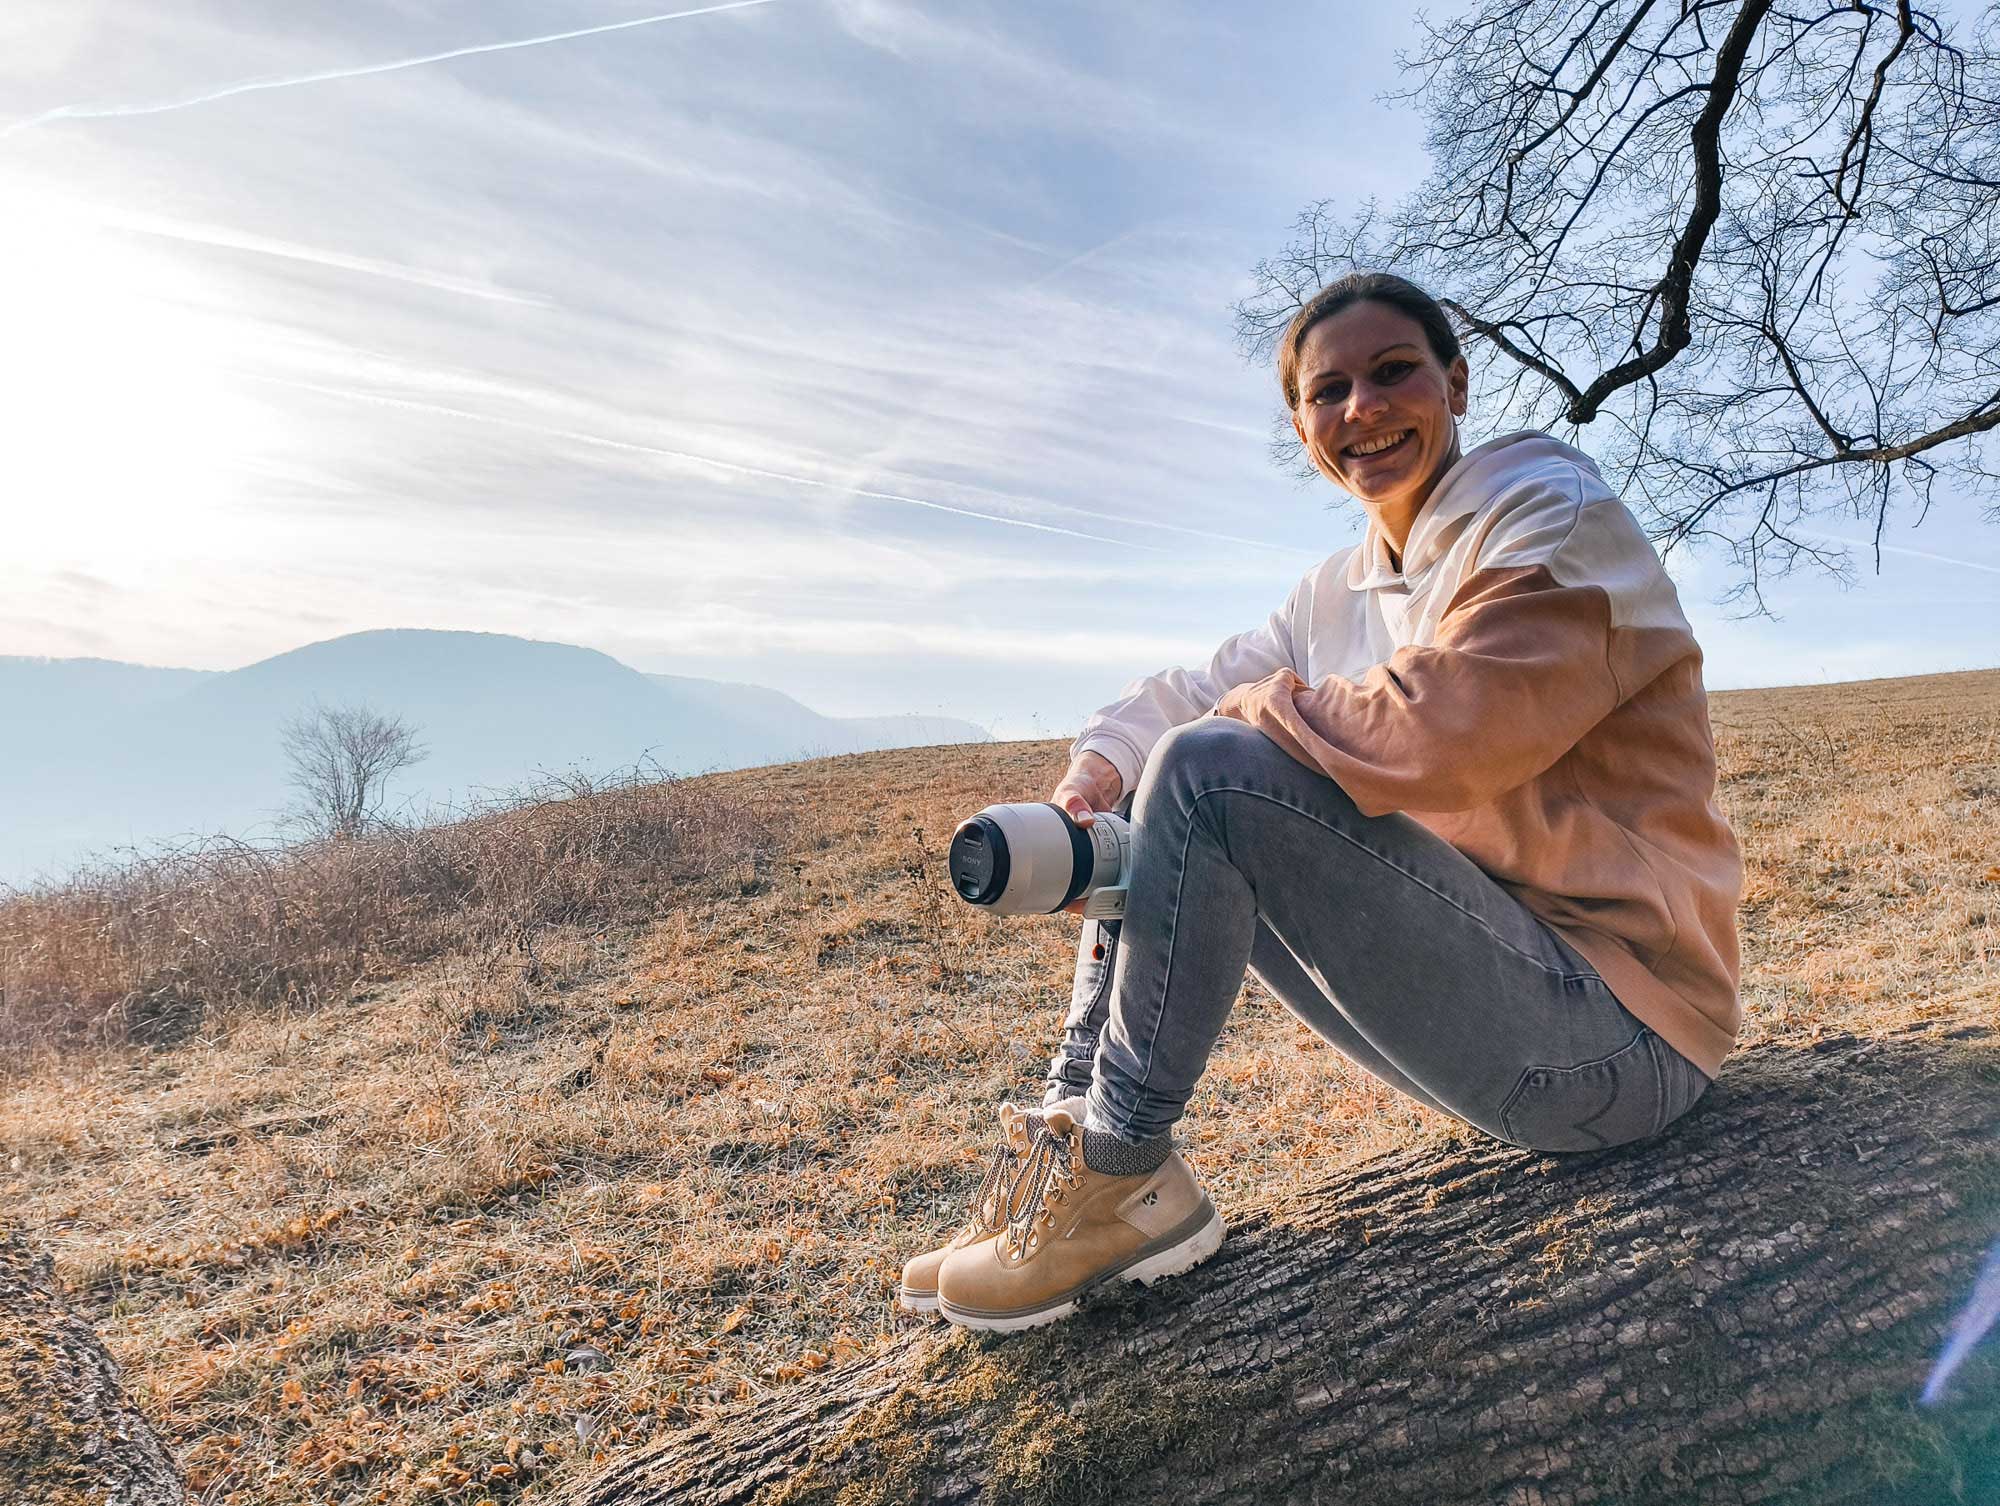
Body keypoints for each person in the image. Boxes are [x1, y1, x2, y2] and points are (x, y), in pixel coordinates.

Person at [898, 270, 1742, 1333]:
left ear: (1456, 384)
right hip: (1510, 1008)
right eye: (1326, 391)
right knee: (1147, 805)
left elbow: (1451, 727)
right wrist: (1102, 770)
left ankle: (1123, 1167)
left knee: (1203, 774)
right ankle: (1078, 1141)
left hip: (1622, 1045)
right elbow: (1200, 689)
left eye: (1392, 373)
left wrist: (1213, 744)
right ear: (1299, 423)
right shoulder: (1337, 585)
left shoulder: (1546, 514)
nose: (1361, 410)